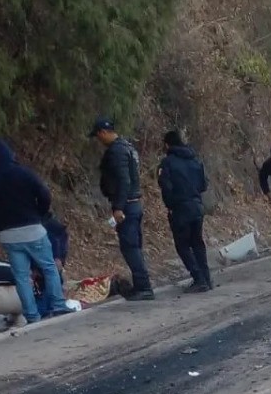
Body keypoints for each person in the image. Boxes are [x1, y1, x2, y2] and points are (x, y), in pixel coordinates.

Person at [0, 137, 72, 323]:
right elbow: (44, 194)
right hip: (33, 228)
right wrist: (40, 214)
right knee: (49, 267)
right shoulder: (23, 173)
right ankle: (58, 306)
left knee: (21, 276)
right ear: (10, 153)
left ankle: (32, 316)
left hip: (8, 235)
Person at [90, 116, 154, 300]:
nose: (98, 140)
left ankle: (143, 287)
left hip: (127, 206)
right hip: (133, 204)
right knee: (134, 246)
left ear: (103, 132)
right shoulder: (127, 147)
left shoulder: (117, 151)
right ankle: (142, 285)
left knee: (130, 247)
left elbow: (124, 180)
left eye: (98, 136)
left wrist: (118, 207)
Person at [157, 129, 212, 292]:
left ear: (167, 145)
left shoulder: (167, 163)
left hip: (180, 208)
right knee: (197, 243)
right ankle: (206, 278)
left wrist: (171, 205)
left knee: (182, 245)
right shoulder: (195, 159)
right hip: (197, 206)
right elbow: (204, 185)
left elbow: (166, 187)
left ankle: (198, 278)